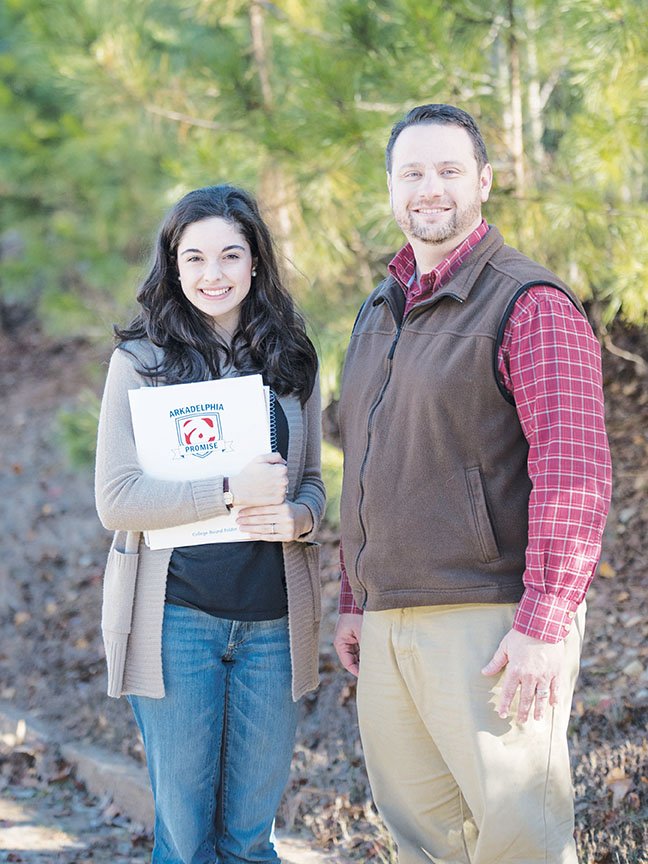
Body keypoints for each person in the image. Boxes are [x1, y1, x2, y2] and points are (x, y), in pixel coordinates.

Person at [333, 105, 611, 864]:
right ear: (390, 187)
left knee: (518, 839)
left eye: (450, 170)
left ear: (484, 181)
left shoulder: (529, 304)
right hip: (391, 625)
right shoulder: (380, 309)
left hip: (491, 625)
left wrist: (542, 625)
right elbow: (363, 462)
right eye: (412, 172)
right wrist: (357, 599)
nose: (431, 188)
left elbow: (576, 470)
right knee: (422, 837)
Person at [95, 184, 325, 864]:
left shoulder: (292, 360)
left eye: (231, 254)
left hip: (273, 627)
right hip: (178, 623)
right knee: (186, 839)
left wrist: (298, 518)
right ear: (173, 266)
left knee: (250, 839)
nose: (213, 273)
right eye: (194, 258)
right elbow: (117, 498)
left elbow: (312, 485)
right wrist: (228, 490)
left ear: (256, 263)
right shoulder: (140, 362)